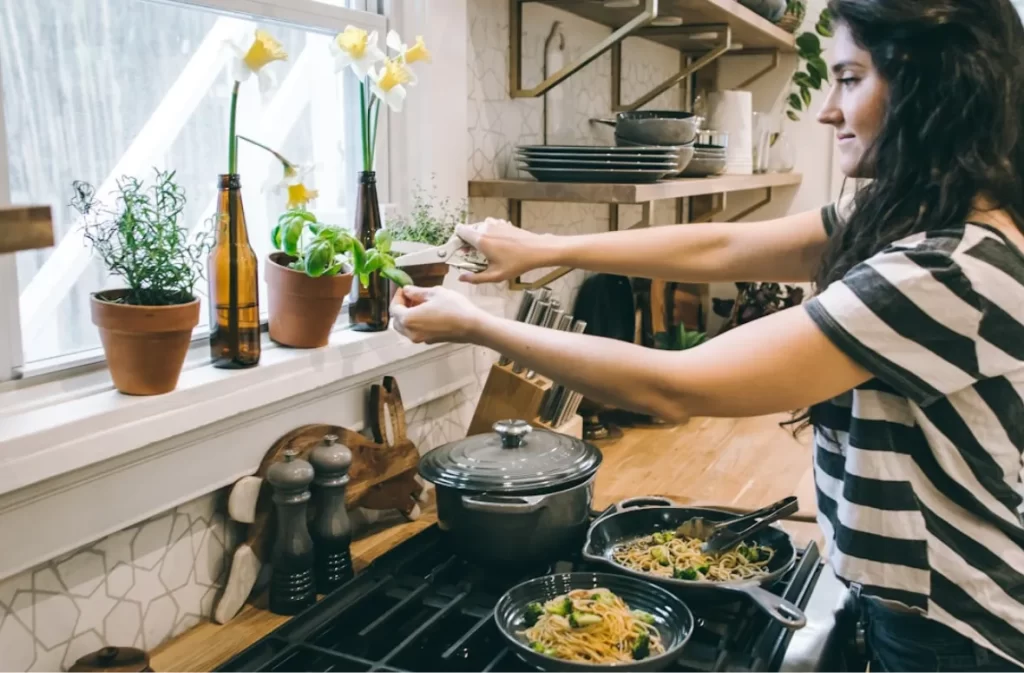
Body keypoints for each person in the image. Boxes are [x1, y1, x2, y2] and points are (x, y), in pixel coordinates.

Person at [391, 0, 1024, 670]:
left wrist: (477, 325)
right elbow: (727, 245)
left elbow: (674, 384)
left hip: (960, 628)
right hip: (915, 605)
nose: (826, 110)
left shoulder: (945, 267)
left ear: (933, 85)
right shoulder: (913, 210)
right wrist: (549, 247)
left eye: (849, 77)